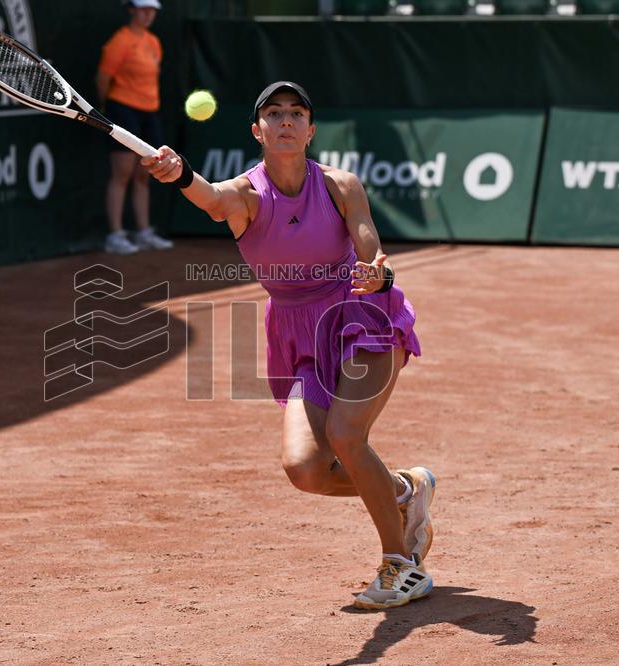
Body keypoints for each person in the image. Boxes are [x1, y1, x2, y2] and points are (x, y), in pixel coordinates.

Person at [142, 81, 436, 610]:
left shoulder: (341, 184)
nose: (285, 121)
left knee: (347, 436)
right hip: (298, 331)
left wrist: (378, 271)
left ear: (310, 130)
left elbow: (370, 242)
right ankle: (404, 491)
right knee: (306, 468)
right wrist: (179, 172)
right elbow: (210, 199)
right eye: (273, 114)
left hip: (361, 313)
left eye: (296, 113)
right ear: (257, 130)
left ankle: (401, 565)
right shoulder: (245, 196)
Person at [96, 0, 173, 255]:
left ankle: (143, 232)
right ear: (131, 9)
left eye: (152, 10)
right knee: (123, 173)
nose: (148, 14)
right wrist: (106, 109)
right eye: (143, 9)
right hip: (122, 108)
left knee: (145, 173)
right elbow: (103, 78)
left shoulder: (154, 42)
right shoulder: (120, 41)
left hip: (150, 112)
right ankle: (115, 235)